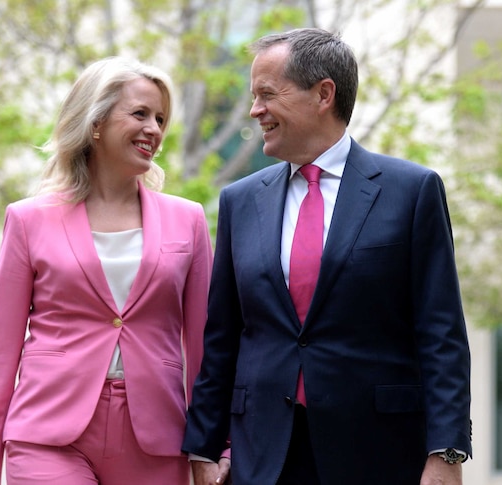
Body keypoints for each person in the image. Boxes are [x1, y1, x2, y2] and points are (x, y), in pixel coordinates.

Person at [182, 28, 472, 485]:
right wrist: (204, 446)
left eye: (266, 95)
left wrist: (447, 454)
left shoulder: (412, 191)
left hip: (378, 453)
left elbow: (441, 334)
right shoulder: (239, 201)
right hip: (262, 456)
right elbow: (223, 337)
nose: (255, 110)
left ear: (323, 94)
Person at [0, 56, 213, 485]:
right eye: (140, 113)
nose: (154, 128)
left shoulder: (189, 220)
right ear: (95, 123)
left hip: (157, 439)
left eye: (161, 118)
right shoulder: (28, 220)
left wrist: (211, 447)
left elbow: (207, 347)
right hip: (48, 436)